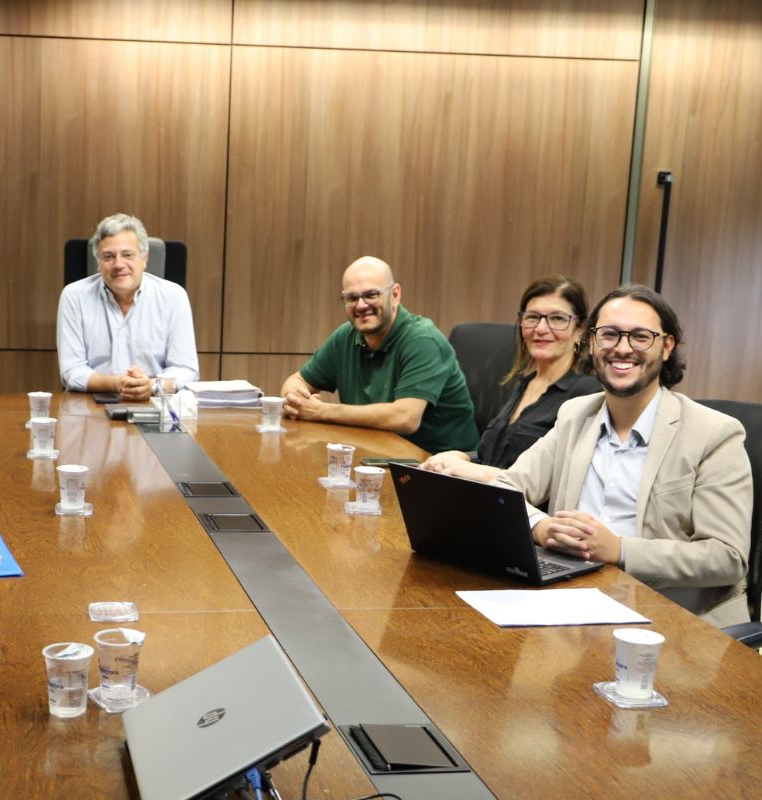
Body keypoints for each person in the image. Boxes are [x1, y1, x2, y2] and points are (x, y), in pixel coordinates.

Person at [494, 285, 752, 626]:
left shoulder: (713, 433)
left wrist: (620, 550)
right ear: (591, 342)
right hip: (570, 600)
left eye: (640, 337)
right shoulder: (576, 415)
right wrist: (541, 527)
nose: (622, 348)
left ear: (666, 347)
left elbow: (727, 557)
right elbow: (503, 488)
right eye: (609, 335)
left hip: (670, 618)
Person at [280, 256, 479, 454]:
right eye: (352, 298)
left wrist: (320, 411)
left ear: (395, 295)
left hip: (438, 468)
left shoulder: (423, 339)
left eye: (371, 295)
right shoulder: (346, 336)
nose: (361, 305)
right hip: (374, 454)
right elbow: (297, 380)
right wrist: (295, 401)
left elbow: (406, 418)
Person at [423, 275, 601, 481]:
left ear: (579, 330)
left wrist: (481, 472)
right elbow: (495, 457)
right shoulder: (523, 382)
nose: (541, 328)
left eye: (557, 318)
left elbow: (563, 483)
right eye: (532, 317)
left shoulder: (587, 394)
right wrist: (461, 456)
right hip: (484, 496)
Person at [57, 213, 200, 401]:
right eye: (108, 256)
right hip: (90, 406)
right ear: (98, 262)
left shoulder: (173, 296)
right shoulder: (74, 296)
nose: (118, 264)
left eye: (127, 255)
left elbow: (187, 370)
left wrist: (151, 386)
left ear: (145, 258)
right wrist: (118, 384)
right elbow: (71, 371)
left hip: (156, 405)